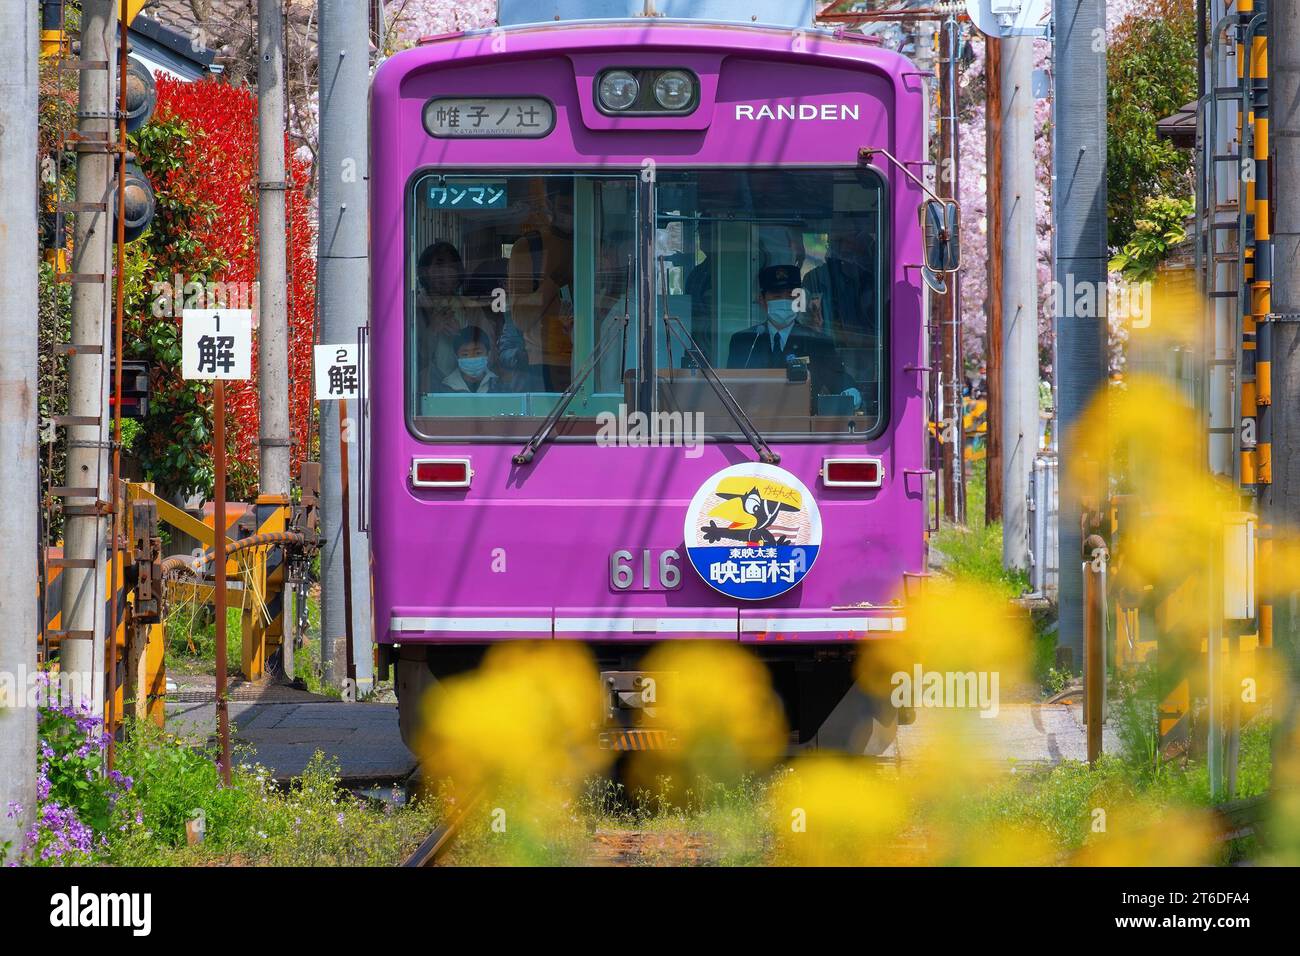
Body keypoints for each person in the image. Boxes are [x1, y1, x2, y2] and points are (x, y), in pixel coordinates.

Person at [726, 264, 862, 411]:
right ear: (762, 300)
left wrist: (851, 391)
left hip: (802, 426)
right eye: (777, 296)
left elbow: (839, 379)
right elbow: (732, 386)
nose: (784, 301)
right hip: (753, 425)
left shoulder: (817, 342)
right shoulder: (744, 341)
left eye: (791, 296)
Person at [507, 179, 575, 391]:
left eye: (576, 209)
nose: (571, 215)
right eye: (565, 208)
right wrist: (555, 282)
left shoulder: (593, 245)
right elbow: (520, 318)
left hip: (588, 360)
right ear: (550, 203)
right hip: (540, 365)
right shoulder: (529, 247)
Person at [415, 241, 494, 393]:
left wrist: (463, 337)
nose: (446, 272)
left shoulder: (470, 308)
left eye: (452, 267)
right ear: (425, 272)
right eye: (439, 265)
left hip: (469, 390)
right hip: (428, 391)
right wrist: (432, 331)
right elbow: (408, 361)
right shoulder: (413, 308)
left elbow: (491, 354)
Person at [441, 326, 499, 393]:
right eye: (465, 354)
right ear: (456, 357)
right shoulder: (446, 387)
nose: (472, 358)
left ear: (488, 354)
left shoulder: (498, 384)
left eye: (478, 353)